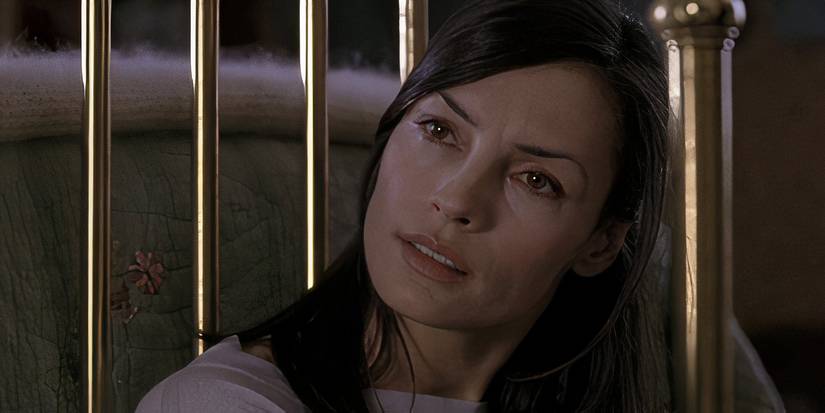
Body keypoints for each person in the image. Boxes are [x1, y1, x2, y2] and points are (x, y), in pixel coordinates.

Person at [137, 0, 671, 411]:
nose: (456, 199)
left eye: (536, 180)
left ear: (601, 242)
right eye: (439, 130)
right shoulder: (229, 401)